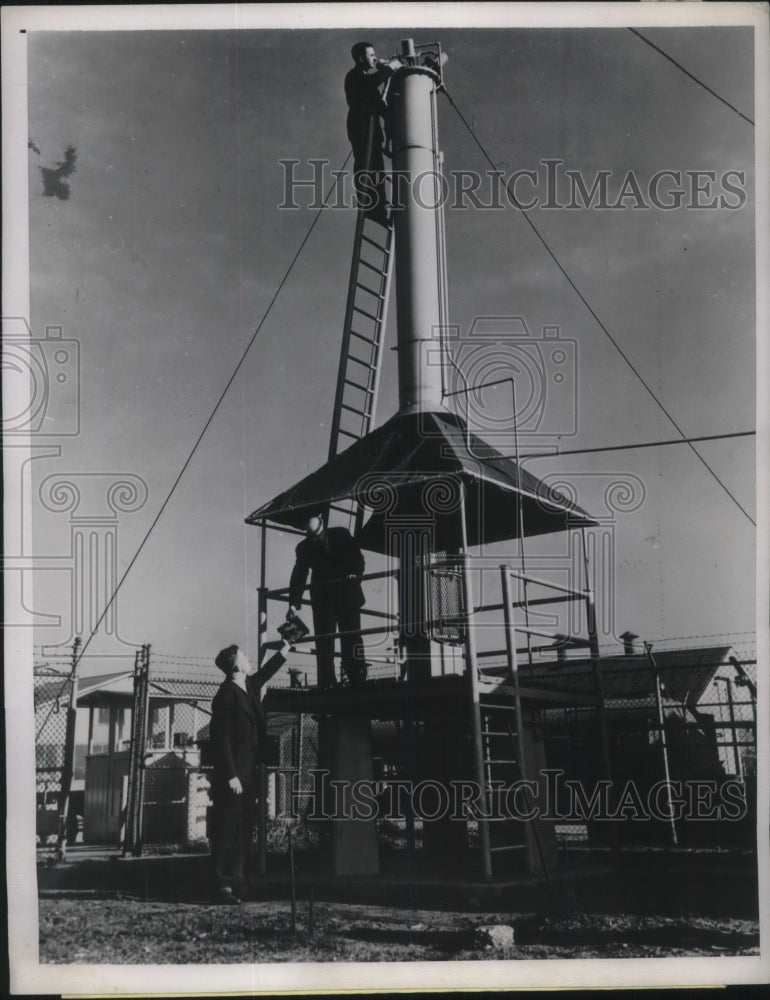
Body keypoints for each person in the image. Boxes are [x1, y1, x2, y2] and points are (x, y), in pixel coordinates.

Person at [208, 642, 285, 904]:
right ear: (236, 665)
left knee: (243, 829)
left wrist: (285, 649)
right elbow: (220, 738)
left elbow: (265, 673)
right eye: (243, 656)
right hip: (233, 775)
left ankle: (238, 881)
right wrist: (231, 775)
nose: (248, 658)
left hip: (249, 771)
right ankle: (221, 885)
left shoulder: (248, 687)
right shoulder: (225, 696)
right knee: (228, 828)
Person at [288, 515, 367, 688]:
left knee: (351, 636)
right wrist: (293, 603)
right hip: (323, 599)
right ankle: (327, 681)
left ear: (322, 524)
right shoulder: (303, 547)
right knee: (324, 640)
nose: (315, 539)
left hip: (347, 593)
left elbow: (357, 558)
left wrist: (355, 574)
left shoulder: (341, 535)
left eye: (316, 535)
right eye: (311, 536)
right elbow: (299, 574)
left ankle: (356, 677)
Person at [344, 41, 398, 224]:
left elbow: (382, 108)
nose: (375, 57)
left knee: (377, 171)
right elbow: (374, 81)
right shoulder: (354, 77)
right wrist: (390, 68)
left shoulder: (369, 85)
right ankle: (368, 205)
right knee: (365, 167)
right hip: (361, 129)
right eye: (371, 54)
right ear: (361, 58)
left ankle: (379, 210)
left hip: (372, 132)